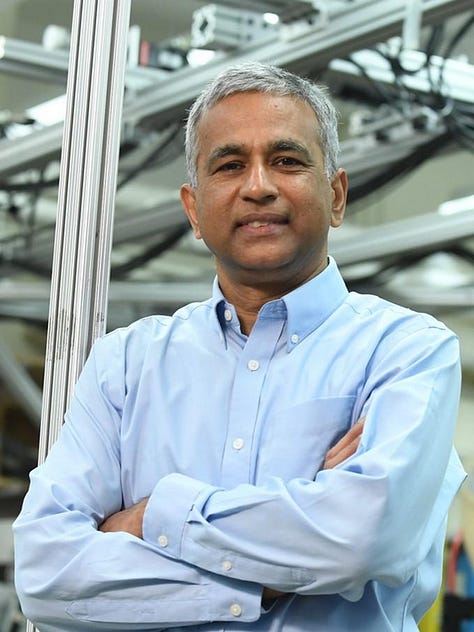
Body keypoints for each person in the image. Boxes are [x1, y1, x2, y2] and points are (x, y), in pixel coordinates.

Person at [13, 62, 465, 631]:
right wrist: (285, 560)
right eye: (229, 165)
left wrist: (155, 516)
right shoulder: (125, 364)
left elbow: (362, 540)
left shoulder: (405, 352)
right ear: (193, 210)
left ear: (337, 195)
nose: (258, 186)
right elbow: (46, 573)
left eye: (287, 160)